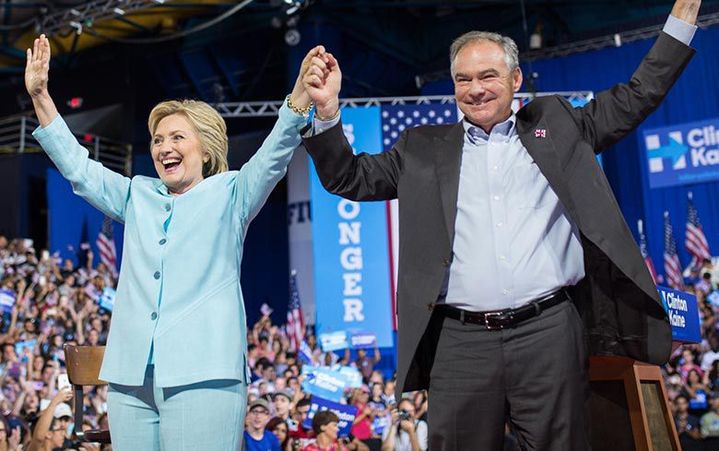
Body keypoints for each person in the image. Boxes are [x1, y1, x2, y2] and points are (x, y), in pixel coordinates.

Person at [299, 0, 700, 448]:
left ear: (515, 79)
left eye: (488, 76)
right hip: (459, 344)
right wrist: (328, 113)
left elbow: (638, 94)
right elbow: (348, 177)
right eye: (463, 79)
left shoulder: (560, 124)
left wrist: (681, 23)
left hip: (549, 332)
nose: (475, 89)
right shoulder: (421, 149)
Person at [25, 34, 324, 450]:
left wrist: (297, 101)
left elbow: (274, 155)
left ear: (206, 148)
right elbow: (79, 169)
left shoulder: (232, 193)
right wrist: (41, 96)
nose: (164, 147)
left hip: (206, 376)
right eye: (158, 140)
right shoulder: (137, 194)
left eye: (177, 137)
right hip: (131, 379)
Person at [301, 410, 368, 451]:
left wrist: (354, 447)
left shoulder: (339, 447)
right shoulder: (308, 449)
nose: (337, 429)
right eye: (334, 425)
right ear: (323, 427)